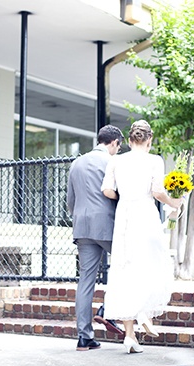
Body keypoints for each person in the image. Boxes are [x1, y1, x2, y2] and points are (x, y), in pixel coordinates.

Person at [101, 119, 183, 354]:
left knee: (125, 268)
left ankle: (129, 336)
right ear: (149, 140)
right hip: (145, 215)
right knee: (151, 264)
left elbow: (107, 190)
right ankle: (142, 313)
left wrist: (123, 196)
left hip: (125, 216)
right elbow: (157, 191)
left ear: (128, 140)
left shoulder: (116, 160)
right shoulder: (154, 160)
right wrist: (174, 202)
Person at [67, 124, 126, 351]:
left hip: (82, 226)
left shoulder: (76, 163)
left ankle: (84, 337)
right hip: (107, 224)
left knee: (85, 281)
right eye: (118, 147)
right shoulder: (112, 162)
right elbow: (118, 194)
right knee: (125, 265)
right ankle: (106, 310)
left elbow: (70, 201)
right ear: (114, 143)